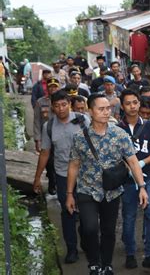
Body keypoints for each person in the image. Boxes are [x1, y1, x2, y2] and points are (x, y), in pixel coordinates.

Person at [65, 93, 149, 275]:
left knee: (108, 230)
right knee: (89, 228)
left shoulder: (119, 134)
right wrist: (69, 194)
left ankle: (107, 264)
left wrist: (142, 187)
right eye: (101, 109)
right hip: (87, 190)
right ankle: (94, 263)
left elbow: (133, 161)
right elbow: (73, 165)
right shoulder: (80, 137)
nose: (105, 112)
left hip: (111, 191)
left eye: (108, 108)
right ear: (90, 111)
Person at [33, 90, 90, 264]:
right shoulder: (48, 127)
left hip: (85, 174)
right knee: (67, 212)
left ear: (70, 104)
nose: (61, 109)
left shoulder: (82, 121)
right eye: (56, 106)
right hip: (63, 175)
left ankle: (87, 240)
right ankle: (72, 249)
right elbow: (45, 153)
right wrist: (37, 179)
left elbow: (95, 143)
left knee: (88, 211)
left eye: (64, 104)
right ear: (52, 107)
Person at [117, 89, 150, 269]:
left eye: (135, 102)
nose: (132, 106)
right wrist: (128, 167)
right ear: (122, 106)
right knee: (129, 216)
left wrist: (143, 163)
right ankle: (130, 253)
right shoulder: (117, 129)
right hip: (127, 180)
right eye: (128, 103)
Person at [33, 78, 61, 195]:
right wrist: (37, 139)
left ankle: (60, 183)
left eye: (55, 86)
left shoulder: (63, 102)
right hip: (46, 137)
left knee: (59, 161)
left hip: (60, 136)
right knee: (49, 163)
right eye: (50, 86)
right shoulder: (41, 102)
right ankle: (52, 182)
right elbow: (37, 122)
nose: (53, 89)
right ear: (47, 88)